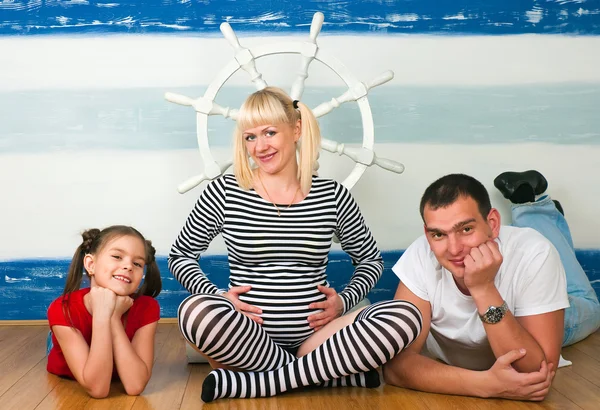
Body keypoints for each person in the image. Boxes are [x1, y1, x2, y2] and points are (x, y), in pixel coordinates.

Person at [169, 86, 422, 402]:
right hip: (247, 337)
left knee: (406, 316)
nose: (260, 146)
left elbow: (371, 260)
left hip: (318, 338)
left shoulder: (333, 196)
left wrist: (343, 302)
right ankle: (319, 377)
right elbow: (181, 255)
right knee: (193, 312)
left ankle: (260, 383)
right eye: (250, 137)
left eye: (270, 132)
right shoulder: (224, 192)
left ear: (296, 129)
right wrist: (217, 295)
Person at [383, 172, 577, 401]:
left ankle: (535, 207)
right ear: (427, 234)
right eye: (439, 234)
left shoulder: (535, 252)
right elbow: (395, 365)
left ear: (492, 224)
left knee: (584, 298)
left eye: (465, 229)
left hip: (563, 314)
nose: (454, 250)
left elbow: (535, 374)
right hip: (516, 314)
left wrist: (483, 289)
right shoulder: (420, 255)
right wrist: (484, 385)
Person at [47, 225, 162, 398]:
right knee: (60, 335)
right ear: (91, 264)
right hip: (69, 359)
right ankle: (53, 337)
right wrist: (102, 314)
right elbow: (98, 389)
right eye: (117, 256)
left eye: (137, 264)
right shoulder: (63, 309)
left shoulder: (148, 307)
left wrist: (113, 317)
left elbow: (135, 385)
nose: (128, 266)